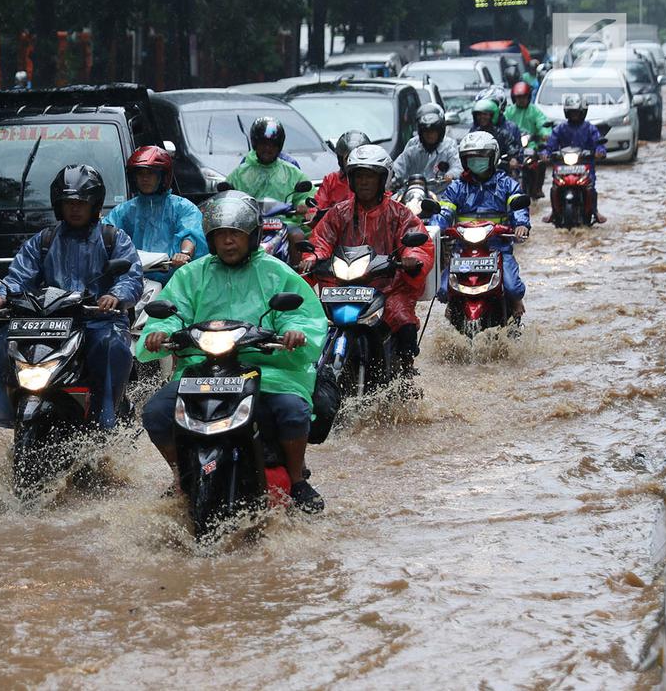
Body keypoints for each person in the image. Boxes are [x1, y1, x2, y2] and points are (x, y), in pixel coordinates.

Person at [137, 190, 328, 513]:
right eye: (221, 235)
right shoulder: (191, 274)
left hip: (267, 368)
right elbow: (172, 312)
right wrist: (159, 333)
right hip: (202, 370)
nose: (228, 242)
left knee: (292, 411)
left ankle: (297, 480)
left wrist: (295, 333)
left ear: (251, 236)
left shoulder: (276, 272)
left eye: (236, 235)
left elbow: (303, 314)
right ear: (210, 240)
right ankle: (181, 476)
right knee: (156, 412)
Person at [0, 165, 143, 430]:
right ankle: (6, 415)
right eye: (68, 202)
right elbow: (19, 274)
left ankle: (105, 417)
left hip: (98, 320)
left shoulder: (113, 238)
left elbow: (131, 277)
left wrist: (115, 296)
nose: (75, 208)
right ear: (58, 205)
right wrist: (2, 293)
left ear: (96, 204)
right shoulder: (44, 239)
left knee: (111, 348)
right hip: (49, 322)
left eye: (82, 202)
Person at [301, 144, 435, 381]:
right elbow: (321, 240)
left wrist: (411, 259)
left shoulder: (399, 213)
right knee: (314, 325)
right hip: (342, 287)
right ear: (351, 179)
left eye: (370, 176)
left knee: (403, 320)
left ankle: (405, 373)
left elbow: (417, 242)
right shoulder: (337, 213)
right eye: (359, 176)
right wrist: (312, 258)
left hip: (387, 287)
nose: (364, 182)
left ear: (382, 179)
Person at [436, 131, 531, 316]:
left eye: (481, 157)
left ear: (492, 157)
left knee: (513, 287)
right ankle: (455, 306)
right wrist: (434, 229)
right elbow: (444, 211)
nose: (476, 161)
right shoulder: (457, 187)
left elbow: (518, 205)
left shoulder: (506, 184)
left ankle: (515, 303)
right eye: (471, 158)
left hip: (498, 247)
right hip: (463, 249)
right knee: (443, 291)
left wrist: (521, 224)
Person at [101, 146, 206, 282]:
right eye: (140, 174)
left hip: (174, 282)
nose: (145, 178)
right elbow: (107, 232)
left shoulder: (182, 207)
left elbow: (192, 233)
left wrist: (184, 253)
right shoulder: (123, 211)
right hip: (132, 281)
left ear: (163, 176)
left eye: (150, 173)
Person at [226, 116, 315, 218]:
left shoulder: (292, 172)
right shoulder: (240, 173)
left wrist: (303, 204)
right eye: (263, 144)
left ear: (279, 146)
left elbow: (308, 197)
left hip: (284, 224)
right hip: (250, 226)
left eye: (272, 145)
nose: (267, 149)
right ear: (255, 144)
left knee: (297, 235)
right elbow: (227, 198)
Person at [542, 96, 607, 223]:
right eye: (572, 112)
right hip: (563, 166)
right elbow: (550, 145)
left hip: (585, 164)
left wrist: (600, 151)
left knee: (590, 187)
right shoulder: (560, 129)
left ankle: (595, 211)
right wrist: (545, 153)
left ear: (583, 112)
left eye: (577, 112)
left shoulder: (590, 128)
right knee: (555, 187)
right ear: (567, 112)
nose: (574, 115)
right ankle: (554, 211)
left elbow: (599, 143)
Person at [391, 103, 463, 191]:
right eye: (426, 131)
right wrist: (392, 178)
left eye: (433, 131)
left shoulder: (449, 146)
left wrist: (451, 174)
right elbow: (398, 167)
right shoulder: (412, 147)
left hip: (440, 194)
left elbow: (457, 167)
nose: (430, 135)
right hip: (412, 192)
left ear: (440, 131)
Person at [505, 81, 551, 198]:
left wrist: (545, 133)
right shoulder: (509, 111)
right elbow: (503, 124)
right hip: (513, 145)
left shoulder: (534, 111)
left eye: (524, 97)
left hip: (531, 145)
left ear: (529, 97)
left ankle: (537, 188)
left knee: (540, 162)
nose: (521, 100)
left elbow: (542, 122)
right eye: (518, 97)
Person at [314, 130, 371, 209]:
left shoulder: (374, 179)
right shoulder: (331, 180)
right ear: (341, 160)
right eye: (349, 158)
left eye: (358, 158)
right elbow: (318, 205)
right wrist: (312, 212)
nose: (353, 163)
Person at [470, 96, 522, 168]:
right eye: (479, 114)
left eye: (485, 114)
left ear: (492, 115)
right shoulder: (473, 134)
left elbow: (512, 148)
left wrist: (513, 159)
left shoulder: (503, 134)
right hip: (478, 170)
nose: (482, 117)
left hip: (499, 171)